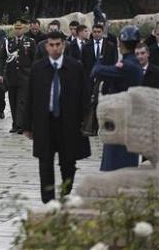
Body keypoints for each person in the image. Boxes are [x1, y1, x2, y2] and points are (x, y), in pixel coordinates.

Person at [23, 31, 90, 203]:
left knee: (68, 162)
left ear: (63, 45)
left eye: (58, 44)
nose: (54, 48)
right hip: (44, 122)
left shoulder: (75, 67)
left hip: (68, 123)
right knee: (45, 163)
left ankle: (65, 196)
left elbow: (84, 96)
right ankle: (48, 201)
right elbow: (29, 97)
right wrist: (26, 125)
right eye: (51, 45)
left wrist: (86, 122)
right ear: (46, 47)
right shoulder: (38, 68)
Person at [91, 25, 144, 171]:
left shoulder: (128, 65)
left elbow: (98, 71)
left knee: (117, 162)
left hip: (121, 119)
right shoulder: (132, 63)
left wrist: (100, 60)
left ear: (121, 43)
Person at [2, 19, 36, 133]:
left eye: (20, 28)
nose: (18, 30)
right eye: (16, 28)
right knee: (12, 101)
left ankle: (21, 125)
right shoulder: (9, 42)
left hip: (25, 77)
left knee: (22, 102)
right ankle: (15, 124)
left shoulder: (30, 42)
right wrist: (2, 74)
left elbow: (34, 59)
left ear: (24, 29)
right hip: (12, 77)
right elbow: (2, 58)